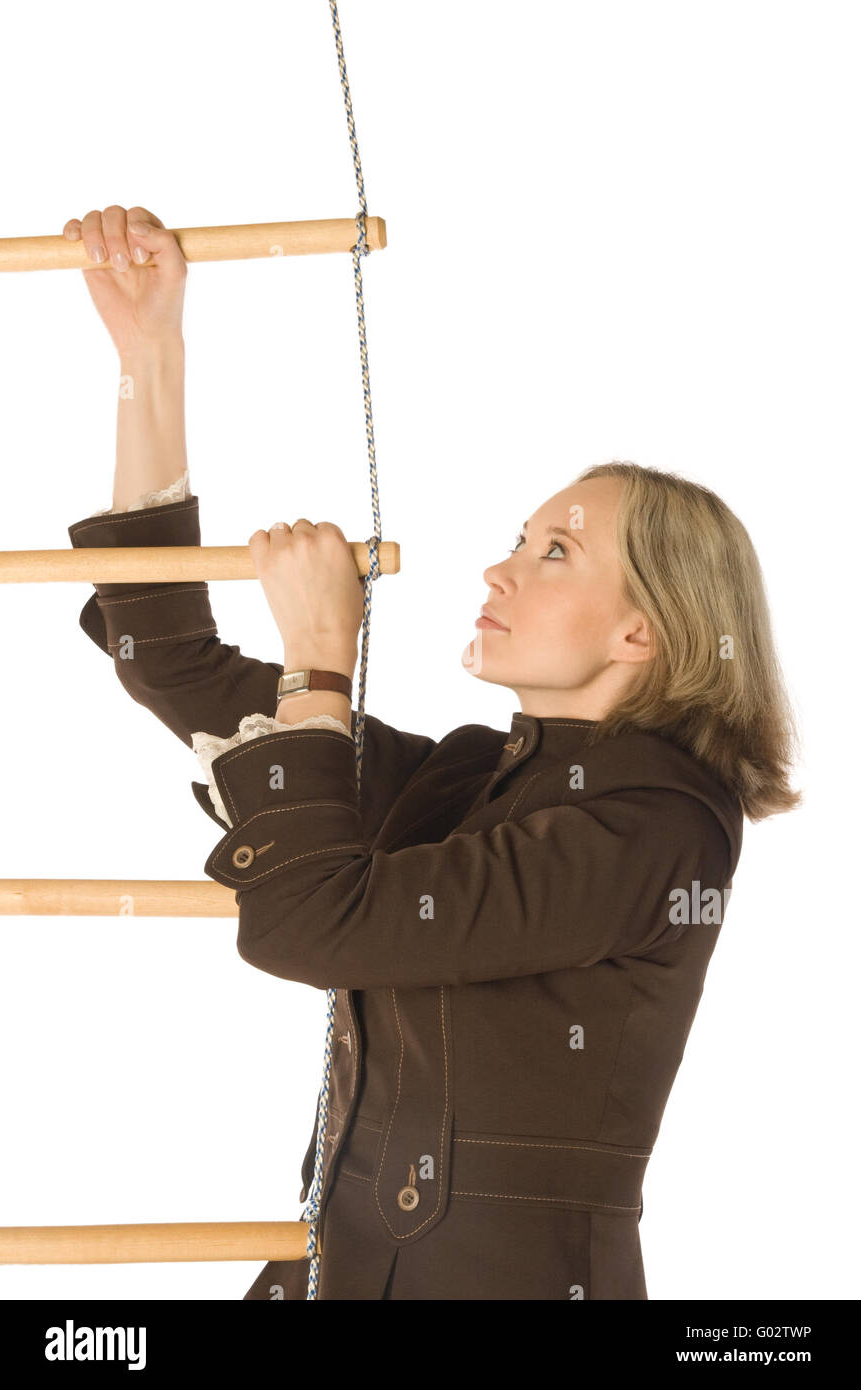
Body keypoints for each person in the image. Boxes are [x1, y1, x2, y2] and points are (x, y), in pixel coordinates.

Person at [63, 206, 802, 1300]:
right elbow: (168, 661)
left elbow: (313, 919)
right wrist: (147, 353)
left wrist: (320, 661)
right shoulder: (467, 778)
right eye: (516, 540)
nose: (499, 572)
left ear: (641, 631)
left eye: (554, 551)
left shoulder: (658, 830)